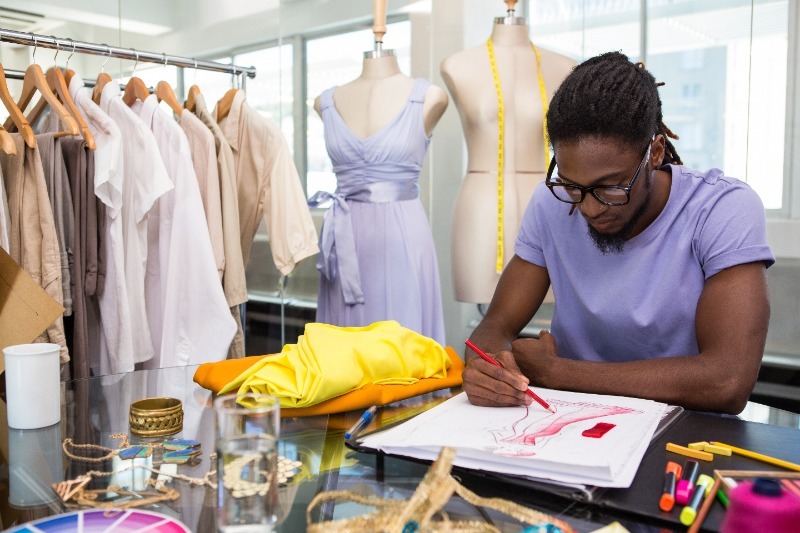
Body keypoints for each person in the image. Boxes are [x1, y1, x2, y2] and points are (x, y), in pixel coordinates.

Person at [463, 51, 775, 415]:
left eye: (611, 187)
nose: (589, 208)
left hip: (684, 438)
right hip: (569, 425)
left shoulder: (722, 209)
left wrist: (560, 372)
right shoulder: (551, 204)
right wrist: (484, 369)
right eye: (572, 186)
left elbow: (726, 382)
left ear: (655, 152)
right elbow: (495, 325)